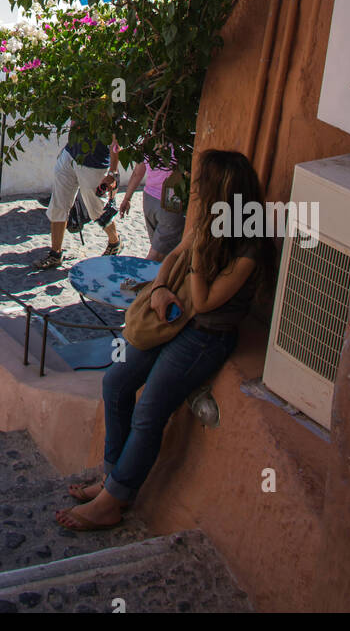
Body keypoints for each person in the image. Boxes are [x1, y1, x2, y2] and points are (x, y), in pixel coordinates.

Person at [55, 149, 275, 530]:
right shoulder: (209, 222)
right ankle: (111, 477)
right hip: (173, 320)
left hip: (205, 336)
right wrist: (158, 289)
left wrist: (199, 257)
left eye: (204, 186)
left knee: (150, 411)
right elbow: (174, 255)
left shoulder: (247, 250)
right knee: (116, 383)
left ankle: (114, 500)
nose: (197, 192)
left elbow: (205, 301)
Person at [35, 120, 121, 270]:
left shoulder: (110, 103)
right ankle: (55, 253)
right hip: (70, 154)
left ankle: (115, 242)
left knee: (98, 210)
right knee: (58, 204)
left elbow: (116, 139)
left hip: (94, 162)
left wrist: (113, 172)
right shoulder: (78, 97)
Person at [118, 145, 185, 261]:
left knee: (159, 250)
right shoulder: (180, 146)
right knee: (156, 256)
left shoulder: (149, 143)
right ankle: (143, 279)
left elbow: (137, 173)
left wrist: (127, 198)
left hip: (149, 200)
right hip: (170, 201)